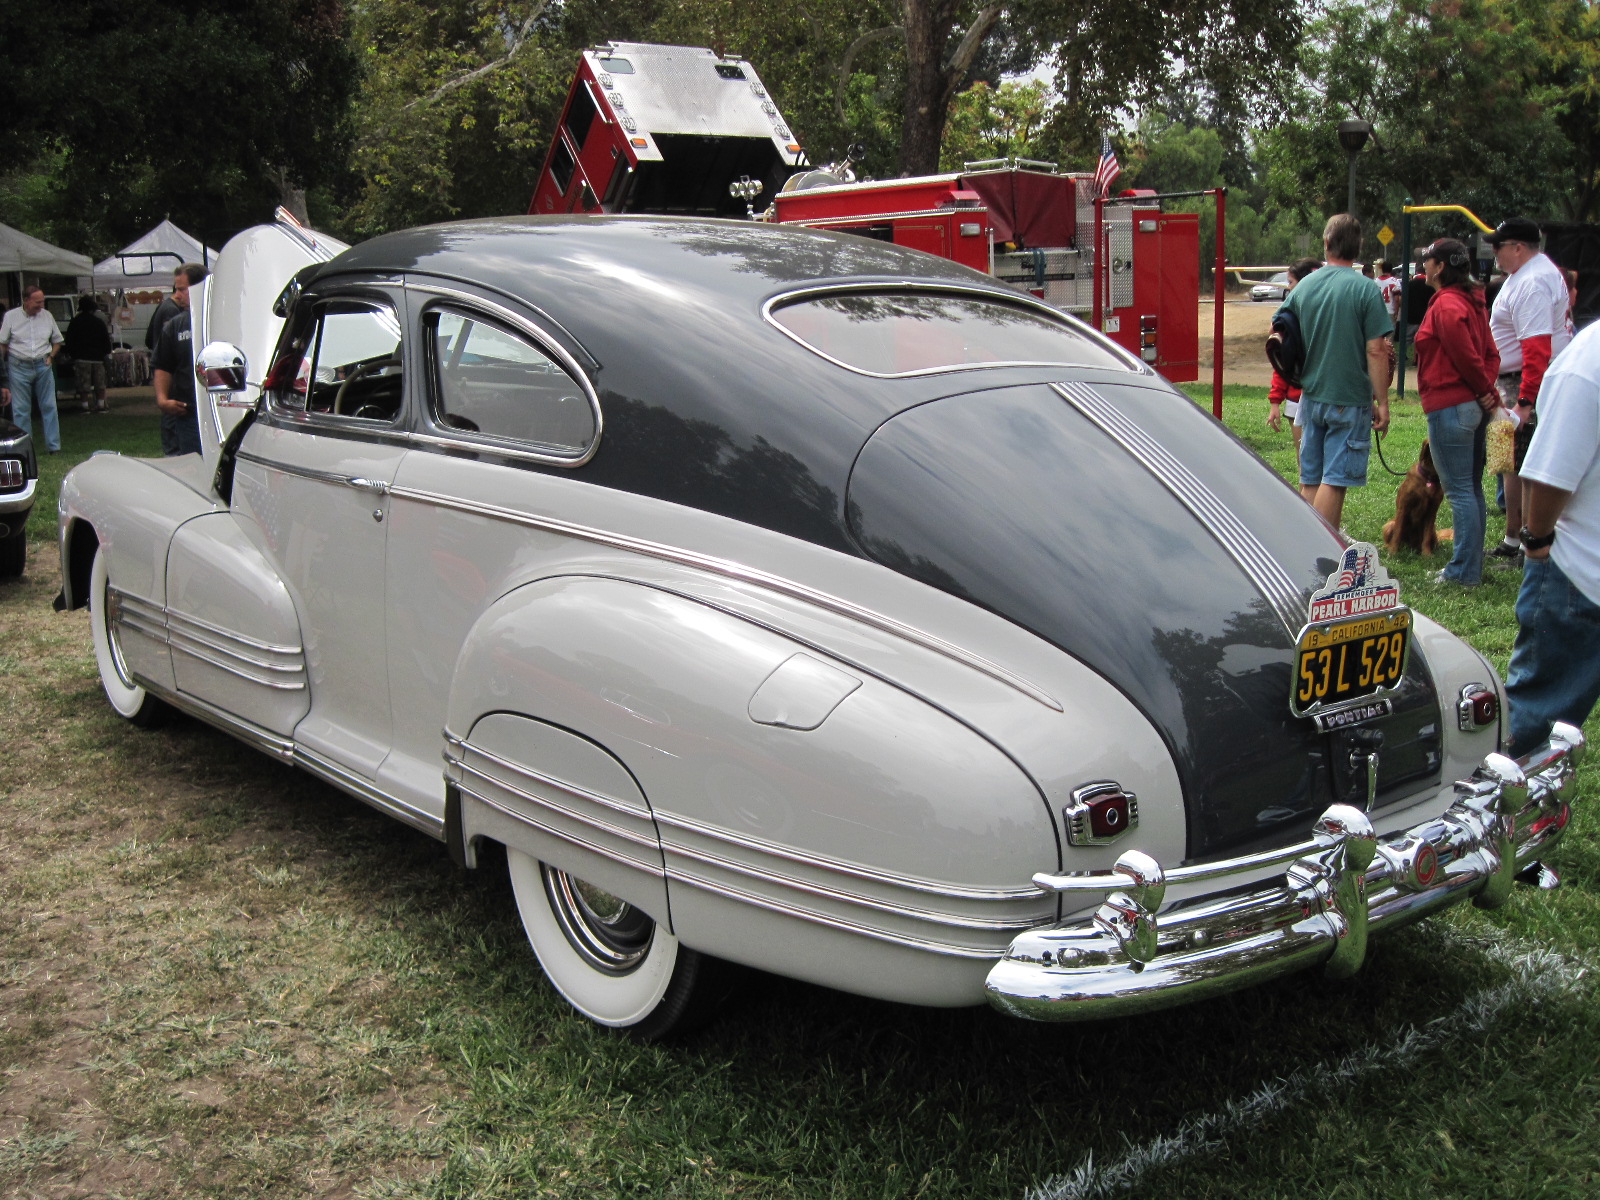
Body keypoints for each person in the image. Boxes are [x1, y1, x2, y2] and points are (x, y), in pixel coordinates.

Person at [1503, 314, 1600, 754]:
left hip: (1580, 575)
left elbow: (1548, 476)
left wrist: (1536, 542)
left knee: (1530, 727)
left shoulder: (1586, 359)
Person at [1280, 213, 1393, 528]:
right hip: (1348, 398)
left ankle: (1302, 550)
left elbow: (1281, 333)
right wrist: (1382, 401)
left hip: (1311, 397)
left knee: (1311, 478)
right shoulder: (1365, 289)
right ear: (1358, 248)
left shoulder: (1305, 286)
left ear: (1327, 243)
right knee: (1335, 479)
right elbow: (1375, 350)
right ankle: (1323, 556)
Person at [1413, 239, 1500, 586]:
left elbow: (1468, 357)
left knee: (1460, 491)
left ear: (1441, 267)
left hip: (1451, 406)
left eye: (1428, 260)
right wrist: (1485, 393)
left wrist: (1483, 391)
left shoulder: (1448, 306)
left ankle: (1463, 571)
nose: (1424, 266)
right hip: (1470, 406)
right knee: (1472, 489)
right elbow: (1490, 356)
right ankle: (1471, 565)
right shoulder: (1472, 303)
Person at [1487, 217, 1572, 564]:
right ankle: (1512, 537)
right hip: (1508, 379)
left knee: (1524, 464)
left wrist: (1524, 402)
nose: (1494, 253)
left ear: (1518, 247)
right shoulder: (1525, 275)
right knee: (1505, 462)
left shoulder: (1533, 280)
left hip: (1522, 381)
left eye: (1498, 247)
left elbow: (1537, 349)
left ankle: (1525, 542)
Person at [1266, 257, 1324, 479]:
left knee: (1313, 467)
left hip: (1320, 398)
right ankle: (1312, 510)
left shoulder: (1301, 316)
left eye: (1290, 282)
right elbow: (1283, 365)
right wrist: (1275, 401)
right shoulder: (1289, 318)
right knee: (1307, 466)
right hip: (1299, 400)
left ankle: (1315, 510)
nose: (1288, 288)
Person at [152, 263, 208, 455]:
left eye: (182, 289)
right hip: (188, 413)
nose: (177, 295)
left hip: (222, 411)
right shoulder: (175, 326)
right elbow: (162, 365)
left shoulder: (223, 319)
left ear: (200, 287)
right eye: (176, 289)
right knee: (191, 467)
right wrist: (162, 400)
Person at [0, 286, 65, 453]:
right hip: (18, 365)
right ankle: (25, 448)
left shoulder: (47, 316)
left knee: (49, 406)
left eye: (42, 301)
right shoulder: (11, 317)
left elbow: (58, 340)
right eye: (37, 302)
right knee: (21, 409)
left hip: (42, 364)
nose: (41, 305)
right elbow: (3, 343)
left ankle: (54, 447)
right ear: (26, 300)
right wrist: (3, 367)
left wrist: (51, 356)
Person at [65, 295, 113, 414]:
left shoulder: (75, 322)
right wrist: (105, 352)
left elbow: (69, 340)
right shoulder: (99, 322)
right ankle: (101, 405)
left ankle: (85, 405)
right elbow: (106, 340)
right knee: (100, 383)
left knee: (83, 383)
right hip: (97, 357)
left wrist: (72, 354)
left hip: (81, 357)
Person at [1377, 260, 1402, 329]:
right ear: (1391, 269)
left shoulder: (1375, 281)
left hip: (1378, 311)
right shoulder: (1394, 281)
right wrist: (1396, 312)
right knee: (1389, 336)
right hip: (1390, 310)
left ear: (1382, 269)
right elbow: (1397, 299)